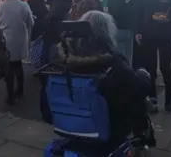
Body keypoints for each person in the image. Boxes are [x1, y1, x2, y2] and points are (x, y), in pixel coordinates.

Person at [59, 11, 152, 153]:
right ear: (106, 32)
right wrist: (143, 75)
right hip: (109, 123)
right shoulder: (113, 60)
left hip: (72, 120)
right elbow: (136, 88)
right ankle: (143, 136)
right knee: (137, 96)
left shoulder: (66, 58)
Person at [0, 0, 34, 105]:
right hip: (19, 40)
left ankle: (10, 95)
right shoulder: (24, 5)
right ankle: (20, 90)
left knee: (8, 69)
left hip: (6, 40)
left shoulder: (0, 6)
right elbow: (31, 22)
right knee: (18, 66)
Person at [108, 0, 137, 65]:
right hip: (130, 27)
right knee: (128, 57)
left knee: (119, 58)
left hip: (118, 27)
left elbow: (114, 9)